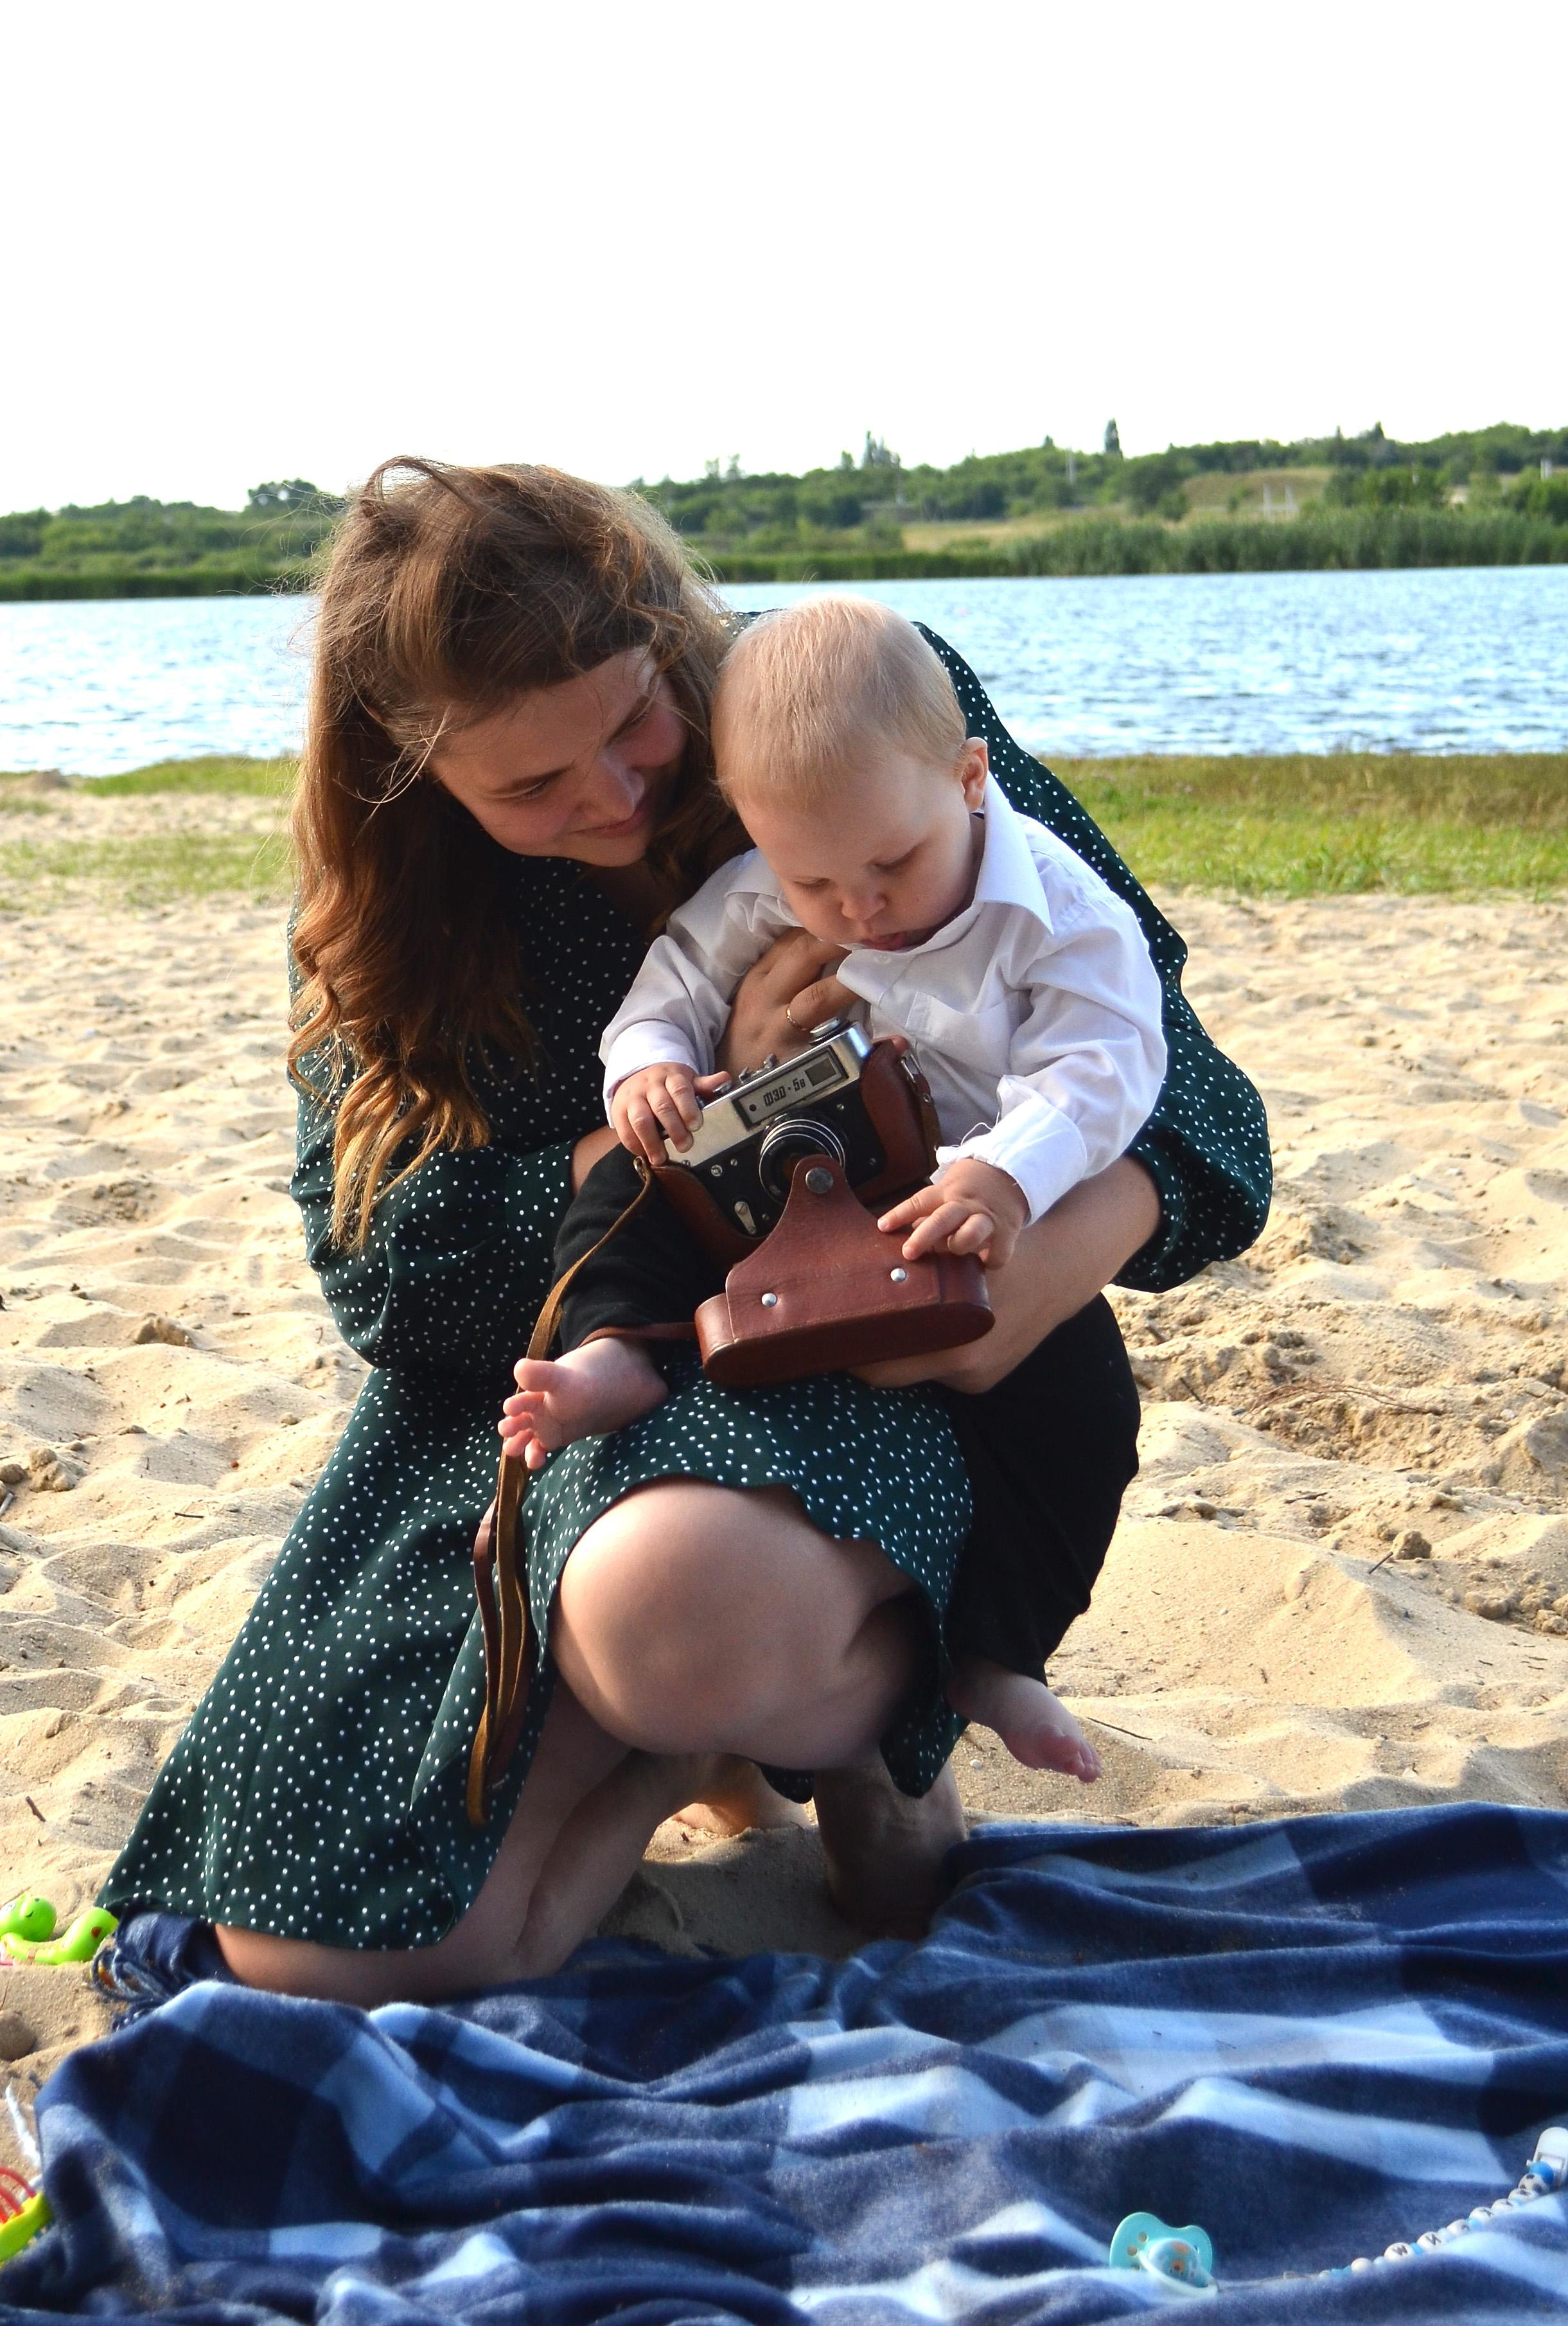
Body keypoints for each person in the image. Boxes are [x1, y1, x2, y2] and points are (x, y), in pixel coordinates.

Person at [100, 459, 1271, 2002]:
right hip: (573, 1366)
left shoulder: (846, 703)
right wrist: (671, 1136)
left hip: (859, 1352)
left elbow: (1193, 1087)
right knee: (324, 1955)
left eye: (633, 722)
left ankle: (862, 1718)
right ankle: (705, 1748)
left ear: (665, 638)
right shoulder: (393, 913)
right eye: (529, 786)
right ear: (414, 773)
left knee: (673, 1610)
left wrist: (1015, 1287)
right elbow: (382, 1274)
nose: (612, 794)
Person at [499, 597, 1169, 1780]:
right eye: (814, 881)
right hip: (779, 1180)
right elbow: (672, 982)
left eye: (891, 864)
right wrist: (647, 1064)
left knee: (1084, 1405)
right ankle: (614, 1351)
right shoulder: (771, 880)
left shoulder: (1059, 914)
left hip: (956, 1206)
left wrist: (1004, 1180)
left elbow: (1110, 1065)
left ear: (968, 780)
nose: (858, 906)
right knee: (627, 1184)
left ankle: (1001, 1652)